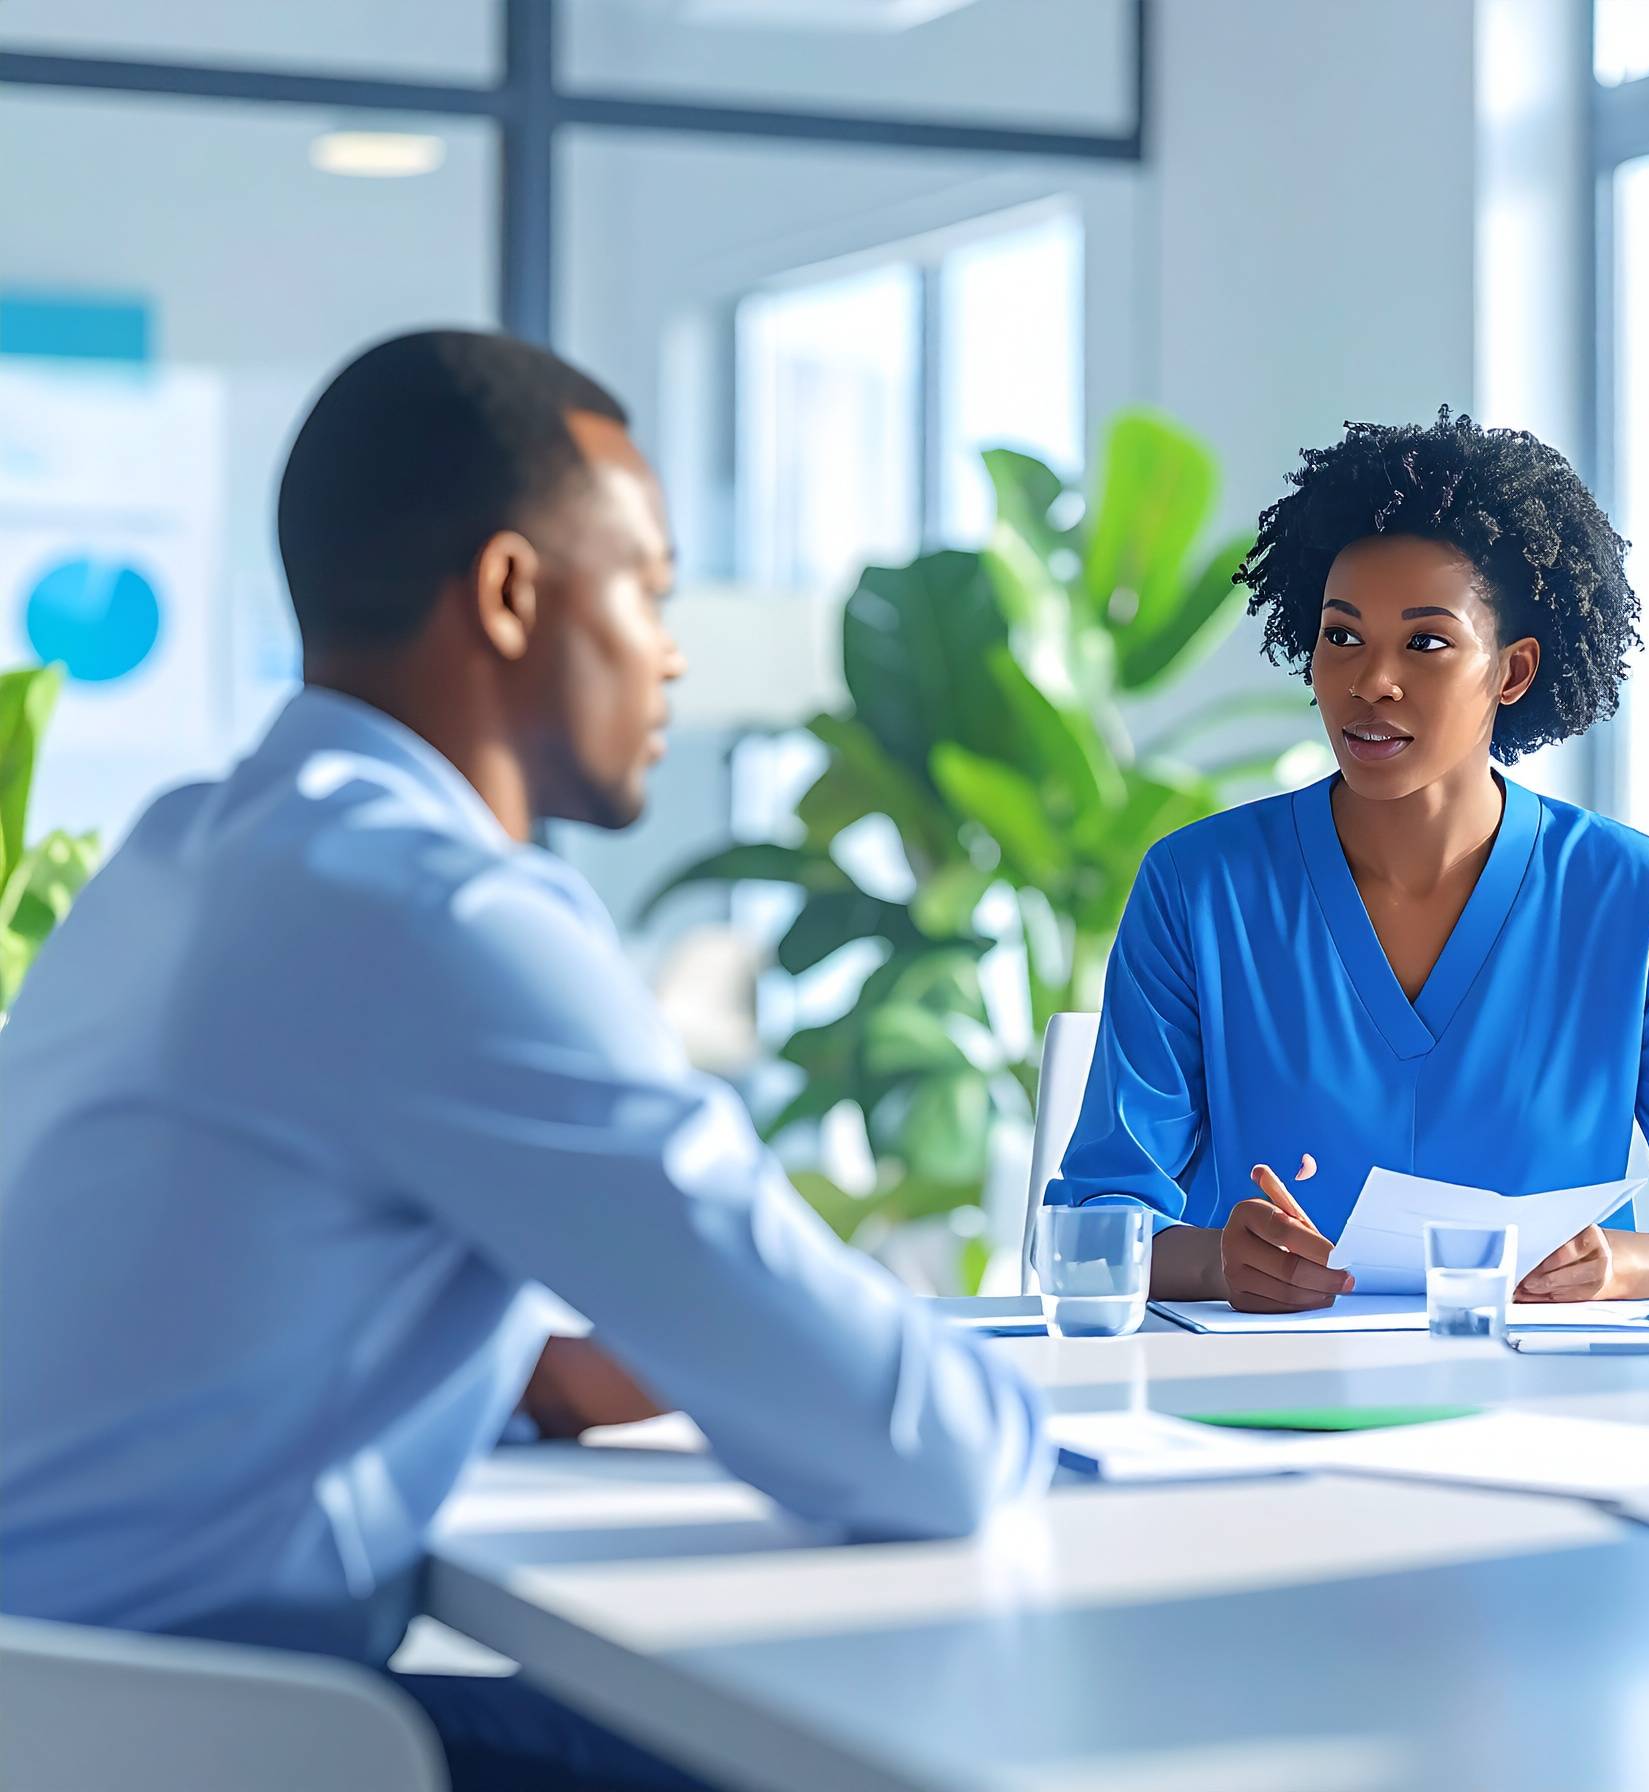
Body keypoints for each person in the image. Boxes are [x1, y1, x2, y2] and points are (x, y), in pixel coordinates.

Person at [0, 330, 1049, 1790]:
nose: (669, 651)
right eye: (650, 588)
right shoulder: (434, 908)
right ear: (509, 593)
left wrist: (517, 1373)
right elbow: (920, 1453)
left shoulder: (189, 850)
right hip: (201, 1748)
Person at [1045, 412, 1649, 1312]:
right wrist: (1219, 1261)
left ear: (1512, 671)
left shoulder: (1634, 899)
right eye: (1341, 636)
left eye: (1426, 642)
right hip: (1259, 1400)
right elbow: (1093, 1219)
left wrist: (1626, 1266)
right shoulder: (1197, 888)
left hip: (1538, 1407)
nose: (1372, 681)